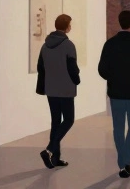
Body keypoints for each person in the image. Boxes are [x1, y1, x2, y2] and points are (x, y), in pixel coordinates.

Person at [97, 10, 130, 179]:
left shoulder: (110, 44)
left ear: (119, 22)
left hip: (116, 92)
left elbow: (102, 69)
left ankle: (122, 163)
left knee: (118, 128)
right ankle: (127, 160)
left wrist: (113, 77)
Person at [37, 14, 80, 170]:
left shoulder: (45, 45)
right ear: (66, 26)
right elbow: (72, 68)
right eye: (70, 24)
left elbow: (40, 68)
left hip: (51, 89)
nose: (71, 26)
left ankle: (55, 159)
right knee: (68, 120)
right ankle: (49, 150)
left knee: (56, 122)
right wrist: (77, 79)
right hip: (66, 88)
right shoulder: (69, 45)